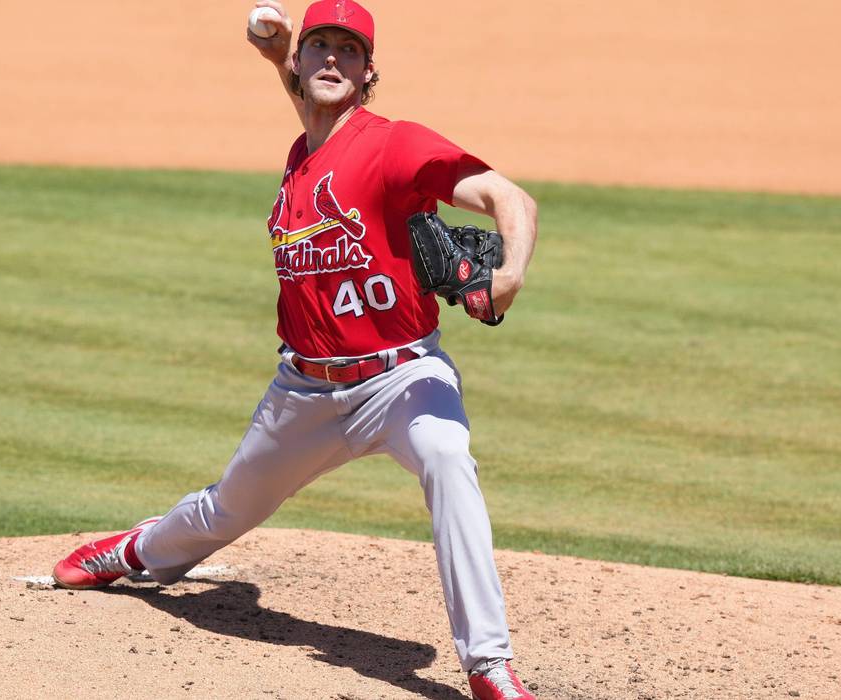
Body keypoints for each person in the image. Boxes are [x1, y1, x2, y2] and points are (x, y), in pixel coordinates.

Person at [52, 1, 539, 698]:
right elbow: (309, 99)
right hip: (304, 392)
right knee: (228, 509)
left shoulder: (394, 144)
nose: (333, 60)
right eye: (320, 48)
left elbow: (508, 197)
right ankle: (137, 549)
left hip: (403, 379)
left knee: (446, 456)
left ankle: (488, 665)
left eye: (349, 50)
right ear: (301, 63)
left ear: (370, 71)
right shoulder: (305, 150)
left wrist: (511, 272)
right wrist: (276, 51)